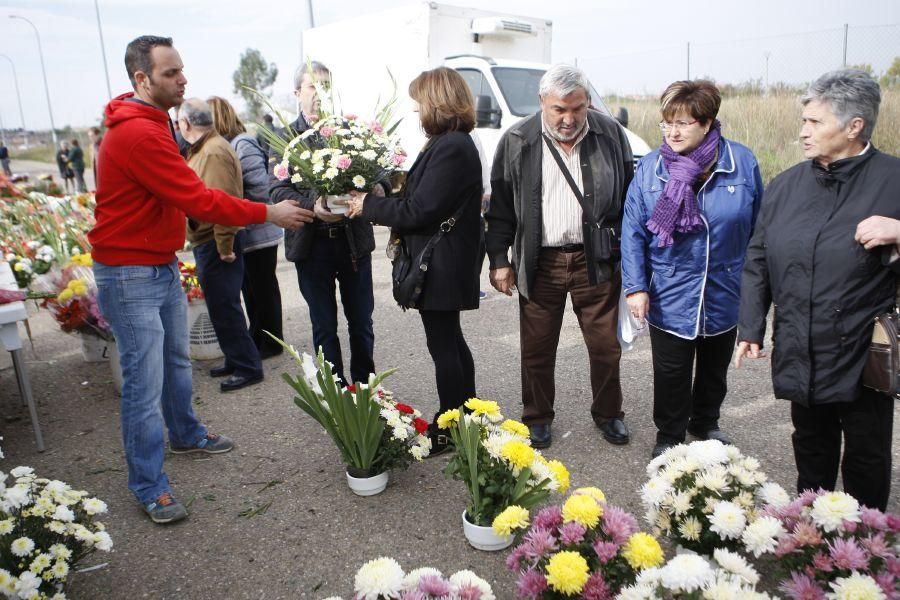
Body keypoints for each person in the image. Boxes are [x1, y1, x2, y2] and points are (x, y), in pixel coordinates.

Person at [88, 35, 312, 524]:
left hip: (156, 263)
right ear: (142, 80)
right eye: (171, 73)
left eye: (182, 69)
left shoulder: (152, 122)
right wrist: (268, 210)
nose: (183, 79)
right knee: (143, 384)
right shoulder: (140, 134)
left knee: (174, 360)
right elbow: (199, 198)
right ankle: (149, 484)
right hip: (130, 272)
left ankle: (186, 434)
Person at [735, 69, 899, 511]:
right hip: (800, 341)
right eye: (803, 121)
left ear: (854, 126)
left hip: (861, 347)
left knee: (866, 451)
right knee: (810, 443)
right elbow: (757, 258)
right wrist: (750, 327)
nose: (803, 132)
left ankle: (865, 542)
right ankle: (811, 534)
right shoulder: (787, 184)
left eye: (814, 122)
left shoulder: (893, 179)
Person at [485, 64, 634, 449]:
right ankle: (537, 418)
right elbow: (500, 208)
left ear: (587, 103)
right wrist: (499, 260)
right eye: (559, 110)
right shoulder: (517, 140)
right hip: (541, 262)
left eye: (578, 109)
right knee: (536, 348)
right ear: (542, 103)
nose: (569, 119)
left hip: (596, 260)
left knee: (605, 347)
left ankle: (609, 414)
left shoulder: (610, 134)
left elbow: (631, 199)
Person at [621, 80, 764, 460]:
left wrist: (757, 289)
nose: (673, 132)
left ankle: (705, 421)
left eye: (683, 123)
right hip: (670, 288)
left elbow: (758, 231)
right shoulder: (651, 168)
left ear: (708, 122)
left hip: (724, 288)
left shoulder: (742, 163)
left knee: (715, 368)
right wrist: (636, 286)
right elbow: (632, 231)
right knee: (671, 371)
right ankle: (669, 433)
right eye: (667, 123)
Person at [347, 67, 482, 454]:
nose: (417, 110)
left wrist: (367, 205)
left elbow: (419, 210)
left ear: (437, 102)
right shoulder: (449, 143)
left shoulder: (453, 145)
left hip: (442, 262)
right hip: (446, 260)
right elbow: (421, 200)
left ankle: (450, 425)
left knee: (444, 345)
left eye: (420, 102)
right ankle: (466, 415)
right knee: (450, 341)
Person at [270, 61, 386, 386]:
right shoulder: (285, 138)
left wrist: (370, 188)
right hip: (312, 246)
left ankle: (365, 390)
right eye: (312, 86)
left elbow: (382, 178)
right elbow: (277, 187)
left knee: (362, 322)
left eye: (325, 87)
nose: (319, 94)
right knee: (323, 326)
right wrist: (313, 206)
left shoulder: (351, 133)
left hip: (352, 244)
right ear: (297, 92)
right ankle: (334, 395)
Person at [179, 97, 265, 391]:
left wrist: (225, 246)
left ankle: (247, 366)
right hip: (211, 240)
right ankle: (235, 357)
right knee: (221, 306)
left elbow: (223, 203)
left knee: (225, 306)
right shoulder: (205, 148)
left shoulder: (213, 151)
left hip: (216, 242)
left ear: (185, 124)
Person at [208, 96, 284, 359]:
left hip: (260, 231)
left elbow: (262, 187)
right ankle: (258, 335)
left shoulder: (243, 143)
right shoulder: (229, 145)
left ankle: (273, 341)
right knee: (250, 290)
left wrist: (236, 199)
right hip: (248, 230)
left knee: (263, 289)